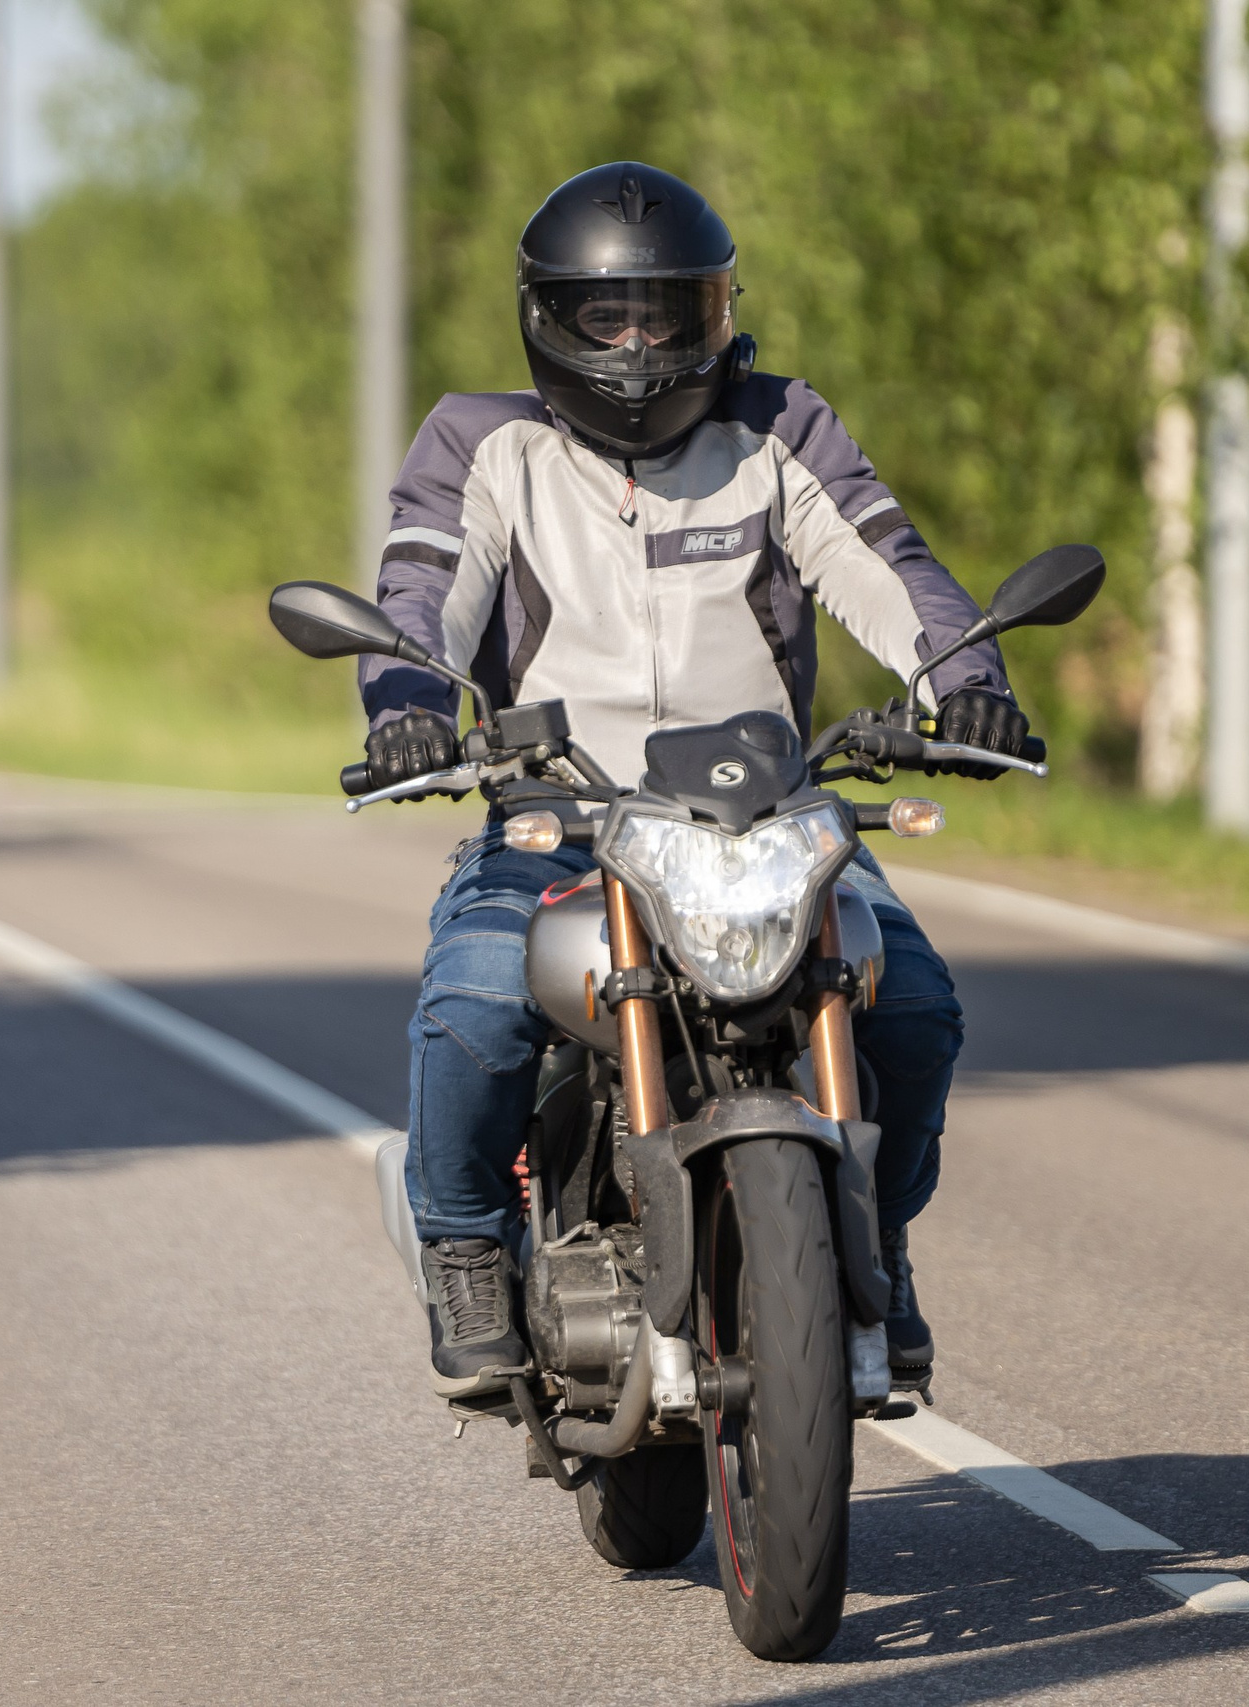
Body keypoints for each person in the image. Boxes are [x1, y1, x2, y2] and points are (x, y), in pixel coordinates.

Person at [357, 163, 1033, 1401]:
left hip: (766, 818)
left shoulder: (782, 428)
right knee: (476, 1005)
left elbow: (890, 564)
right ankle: (463, 1241)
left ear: (714, 313)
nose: (636, 345)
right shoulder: (483, 442)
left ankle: (871, 1235)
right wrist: (408, 710)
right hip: (561, 817)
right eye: (605, 317)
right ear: (548, 318)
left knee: (918, 1008)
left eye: (666, 313)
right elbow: (423, 592)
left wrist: (963, 677)